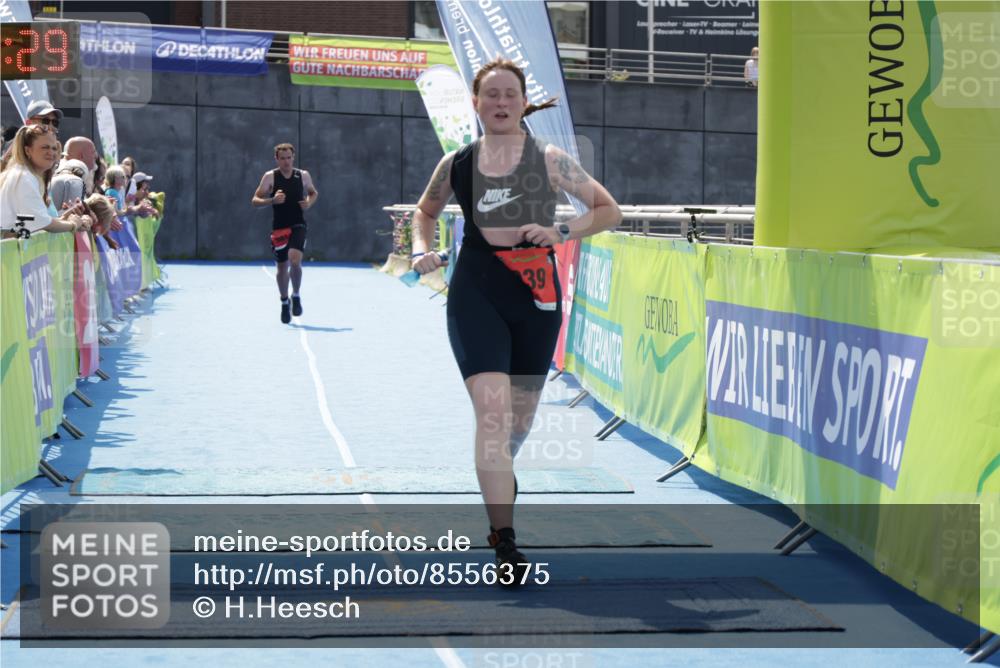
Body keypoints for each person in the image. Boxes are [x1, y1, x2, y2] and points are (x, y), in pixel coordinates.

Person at [410, 57, 622, 583]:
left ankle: (497, 471)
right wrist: (420, 249)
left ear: (524, 102)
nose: (501, 103)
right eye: (491, 95)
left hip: (535, 295)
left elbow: (608, 210)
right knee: (493, 413)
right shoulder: (457, 162)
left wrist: (563, 232)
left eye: (510, 95)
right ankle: (503, 540)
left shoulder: (550, 160)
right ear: (477, 104)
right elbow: (425, 211)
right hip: (477, 289)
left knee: (517, 424)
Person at [251, 143, 319, 324]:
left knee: (295, 259)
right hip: (279, 227)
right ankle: (284, 301)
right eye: (282, 158)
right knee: (282, 267)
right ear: (277, 159)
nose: (286, 162)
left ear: (293, 157)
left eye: (289, 157)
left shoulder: (302, 175)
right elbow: (255, 200)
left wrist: (309, 202)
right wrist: (272, 200)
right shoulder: (270, 177)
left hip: (298, 224)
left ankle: (296, 295)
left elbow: (313, 193)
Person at [0, 125, 91, 236]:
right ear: (28, 150)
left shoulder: (26, 175)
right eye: (45, 147)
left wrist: (65, 218)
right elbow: (45, 224)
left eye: (54, 148)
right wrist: (73, 224)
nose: (51, 153)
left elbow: (36, 221)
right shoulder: (24, 178)